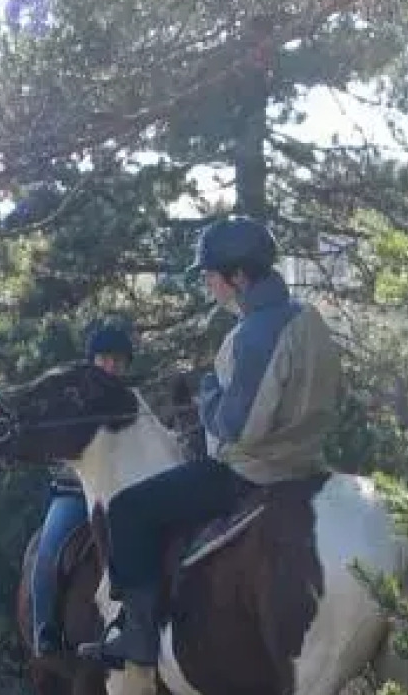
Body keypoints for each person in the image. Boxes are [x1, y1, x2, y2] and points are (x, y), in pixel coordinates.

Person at [79, 215, 344, 669]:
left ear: (238, 276)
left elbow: (234, 426)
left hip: (249, 470)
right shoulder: (311, 319)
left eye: (211, 276)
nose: (208, 285)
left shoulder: (255, 332)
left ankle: (139, 635)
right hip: (309, 463)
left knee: (128, 508)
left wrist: (208, 394)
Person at [31, 325, 134, 656]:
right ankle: (45, 627)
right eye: (105, 359)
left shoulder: (135, 404)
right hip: (75, 493)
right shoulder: (70, 404)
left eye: (118, 360)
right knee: (48, 551)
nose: (111, 367)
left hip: (125, 496)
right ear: (91, 362)